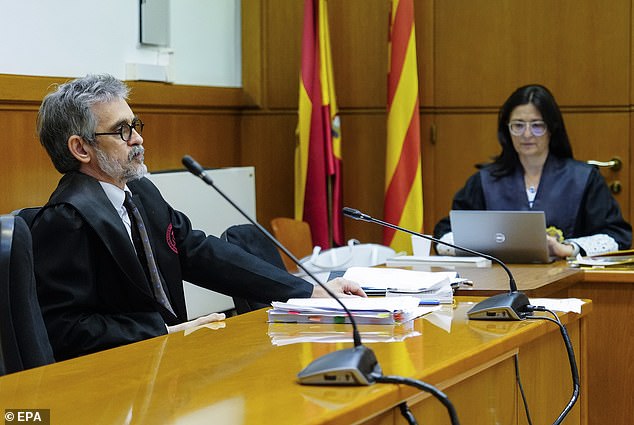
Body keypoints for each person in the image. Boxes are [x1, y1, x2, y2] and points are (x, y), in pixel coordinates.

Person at [31, 74, 365, 361]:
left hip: (167, 365)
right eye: (121, 131)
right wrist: (161, 331)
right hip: (115, 378)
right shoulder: (66, 218)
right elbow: (62, 329)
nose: (138, 138)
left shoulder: (141, 194)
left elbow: (199, 252)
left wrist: (307, 291)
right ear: (81, 149)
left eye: (135, 125)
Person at [434, 84, 631, 258]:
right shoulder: (484, 181)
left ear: (551, 129)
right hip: (498, 284)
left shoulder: (584, 178)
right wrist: (486, 248)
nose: (527, 134)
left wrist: (569, 248)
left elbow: (617, 235)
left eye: (537, 126)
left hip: (566, 286)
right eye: (518, 126)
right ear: (507, 130)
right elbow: (446, 234)